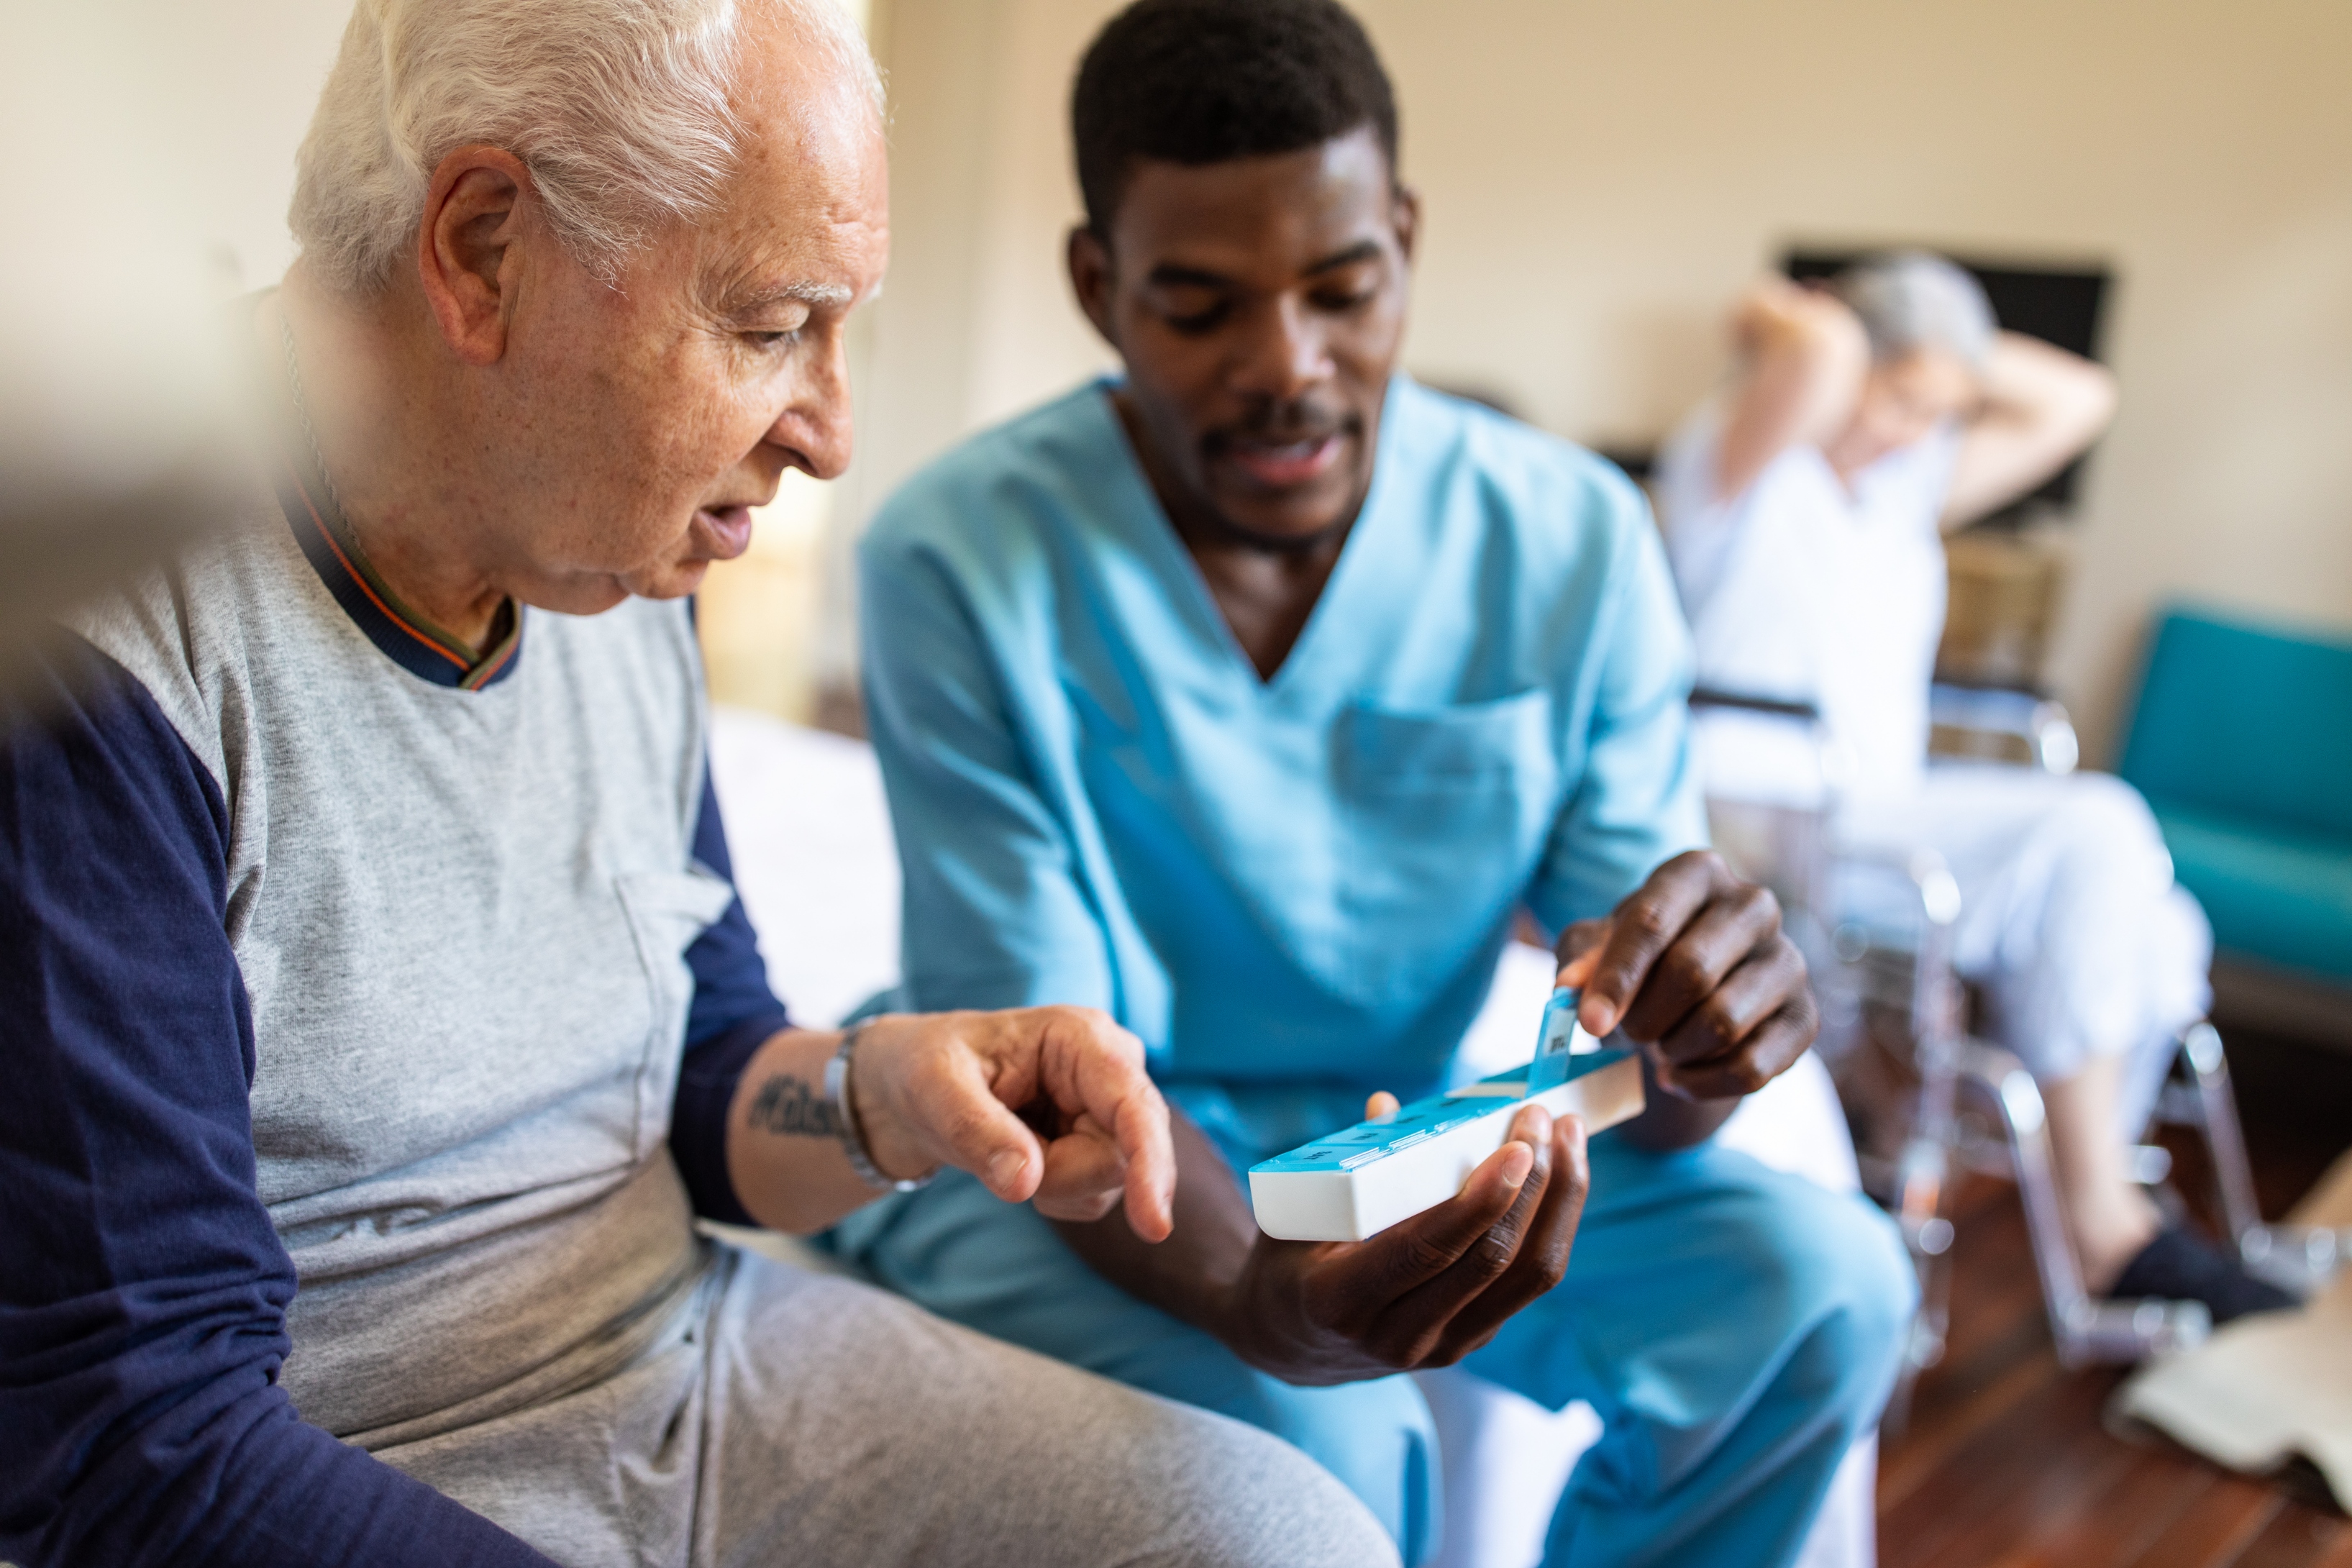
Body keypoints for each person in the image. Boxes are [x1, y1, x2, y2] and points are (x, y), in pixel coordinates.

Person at [0, 3, 1405, 1566]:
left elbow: (704, 1061)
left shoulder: (605, 556)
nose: (831, 430)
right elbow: (137, 1449)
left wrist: (886, 1093)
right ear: (481, 249)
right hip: (337, 1472)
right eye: (766, 325)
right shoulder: (100, 659)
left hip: (687, 1372)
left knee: (1291, 1541)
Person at [840, 2, 1918, 1564]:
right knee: (1325, 1444)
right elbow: (1039, 1087)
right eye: (1201, 307)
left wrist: (1703, 1043)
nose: (1289, 367)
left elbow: (1638, 1075)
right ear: (1100, 288)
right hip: (1060, 1177)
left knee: (1827, 1287)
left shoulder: (1568, 544)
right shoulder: (957, 558)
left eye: (1342, 290)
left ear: (1404, 242)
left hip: (1384, 1143)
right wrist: (1260, 1302)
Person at [1654, 255, 2292, 1322]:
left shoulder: (1902, 491)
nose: (1914, 431)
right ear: (1850, 360)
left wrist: (1942, 365)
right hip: (1770, 827)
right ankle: (2106, 1223)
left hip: (1880, 812)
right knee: (2099, 825)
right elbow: (1815, 352)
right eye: (1900, 398)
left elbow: (2080, 398)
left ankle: (2100, 1215)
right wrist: (1786, 309)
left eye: (1940, 411)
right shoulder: (1739, 464)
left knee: (2145, 906)